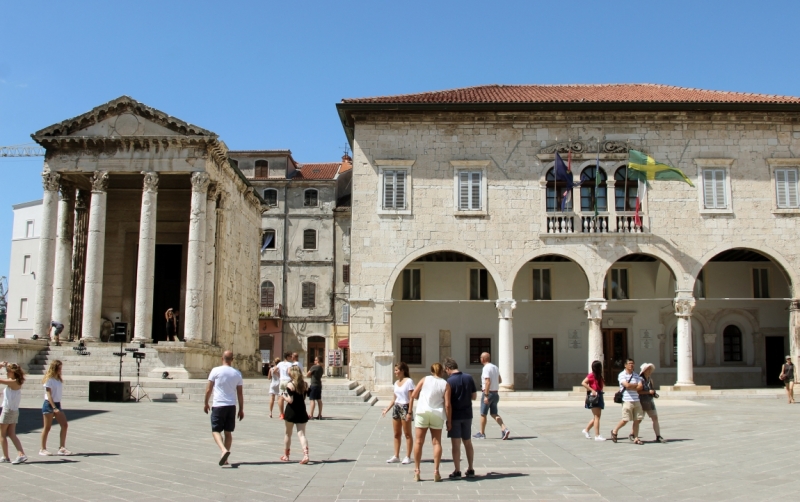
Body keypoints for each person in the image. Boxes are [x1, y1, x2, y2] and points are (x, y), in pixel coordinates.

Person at [409, 362, 451, 482]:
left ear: (432, 371)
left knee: (418, 441)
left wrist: (421, 398)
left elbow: (414, 394)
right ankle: (436, 472)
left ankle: (417, 470)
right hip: (437, 414)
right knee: (436, 442)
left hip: (422, 412)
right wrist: (449, 420)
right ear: (442, 371)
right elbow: (447, 404)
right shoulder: (445, 384)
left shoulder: (425, 379)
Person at [204, 351, 244, 466]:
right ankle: (225, 459)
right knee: (228, 432)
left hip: (218, 405)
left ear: (222, 358)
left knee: (215, 431)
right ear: (232, 359)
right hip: (231, 406)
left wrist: (206, 403)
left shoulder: (215, 371)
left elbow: (209, 389)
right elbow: (240, 393)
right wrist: (241, 409)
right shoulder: (237, 373)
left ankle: (223, 450)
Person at [443, 357, 476, 479]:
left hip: (455, 415)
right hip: (467, 414)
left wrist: (448, 420)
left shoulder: (449, 382)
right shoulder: (468, 377)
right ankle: (471, 468)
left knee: (455, 444)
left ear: (448, 368)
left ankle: (457, 470)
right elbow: (474, 396)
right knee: (467, 442)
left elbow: (447, 403)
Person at [381, 362, 414, 464]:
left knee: (407, 434)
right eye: (395, 370)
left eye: (396, 370)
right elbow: (394, 398)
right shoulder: (396, 383)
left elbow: (411, 398)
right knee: (396, 433)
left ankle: (408, 456)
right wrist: (387, 409)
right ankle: (396, 455)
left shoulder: (409, 381)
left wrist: (409, 412)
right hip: (397, 407)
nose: (395, 372)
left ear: (402, 371)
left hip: (405, 407)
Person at [473, 352, 510, 440]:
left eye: (480, 357)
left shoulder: (486, 368)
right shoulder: (495, 367)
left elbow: (487, 381)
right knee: (494, 413)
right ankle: (504, 428)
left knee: (483, 413)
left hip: (488, 393)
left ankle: (481, 433)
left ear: (483, 359)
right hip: (495, 393)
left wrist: (486, 395)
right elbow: (500, 380)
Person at [40, 360, 71, 456]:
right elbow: (48, 394)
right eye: (59, 368)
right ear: (54, 368)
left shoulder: (58, 379)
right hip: (49, 405)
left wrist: (56, 407)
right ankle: (43, 449)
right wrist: (54, 407)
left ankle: (62, 448)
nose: (60, 370)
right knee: (47, 427)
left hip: (57, 404)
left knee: (64, 425)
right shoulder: (49, 379)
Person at [610, 358, 644, 444]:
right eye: (629, 363)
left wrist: (633, 386)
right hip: (627, 400)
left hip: (636, 399)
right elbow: (626, 385)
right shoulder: (622, 375)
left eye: (632, 363)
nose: (631, 365)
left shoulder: (636, 375)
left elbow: (640, 387)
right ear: (625, 365)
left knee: (637, 420)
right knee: (625, 419)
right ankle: (614, 431)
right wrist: (635, 385)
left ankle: (636, 438)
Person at [281, 365, 310, 464]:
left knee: (288, 433)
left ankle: (286, 455)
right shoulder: (305, 384)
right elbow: (304, 398)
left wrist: (283, 396)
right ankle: (306, 454)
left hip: (291, 411)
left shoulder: (290, 385)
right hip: (302, 410)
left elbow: (290, 400)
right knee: (301, 434)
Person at [0, 362, 28, 464]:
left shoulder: (13, 382)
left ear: (12, 372)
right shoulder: (16, 381)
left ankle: (6, 456)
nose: (6, 373)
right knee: (11, 434)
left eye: (8, 371)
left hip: (8, 410)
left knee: (2, 434)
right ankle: (21, 454)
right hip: (14, 410)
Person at [638, 363, 666, 443]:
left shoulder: (650, 379)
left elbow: (652, 389)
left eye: (650, 369)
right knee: (638, 420)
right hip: (641, 401)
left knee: (655, 418)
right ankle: (633, 434)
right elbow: (638, 391)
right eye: (647, 369)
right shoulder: (640, 379)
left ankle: (658, 436)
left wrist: (653, 393)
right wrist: (648, 392)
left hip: (649, 401)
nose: (649, 371)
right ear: (644, 371)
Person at [581, 360, 606, 441]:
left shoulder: (599, 376)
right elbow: (583, 383)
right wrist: (592, 390)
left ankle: (586, 430)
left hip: (599, 395)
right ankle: (597, 435)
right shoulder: (591, 375)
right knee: (597, 416)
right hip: (594, 396)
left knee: (597, 416)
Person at [276, 352, 294, 419]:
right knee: (288, 397)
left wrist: (279, 376)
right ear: (287, 357)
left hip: (281, 381)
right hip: (287, 381)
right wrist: (292, 378)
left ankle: (281, 414)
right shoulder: (290, 364)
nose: (291, 357)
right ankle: (287, 412)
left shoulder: (280, 363)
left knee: (281, 397)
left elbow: (275, 370)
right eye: (290, 356)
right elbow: (289, 372)